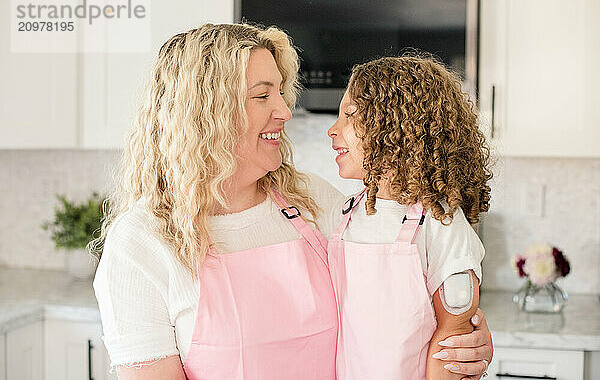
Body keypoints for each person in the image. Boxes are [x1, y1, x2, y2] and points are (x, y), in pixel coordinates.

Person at [91, 23, 493, 380]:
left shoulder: (314, 202)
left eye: (281, 93)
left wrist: (465, 336)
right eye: (262, 96)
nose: (285, 111)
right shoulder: (141, 243)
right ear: (204, 114)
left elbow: (404, 291)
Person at [327, 55, 493, 380]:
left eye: (349, 115)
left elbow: (454, 332)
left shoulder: (439, 223)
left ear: (398, 128)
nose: (333, 129)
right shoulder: (345, 214)